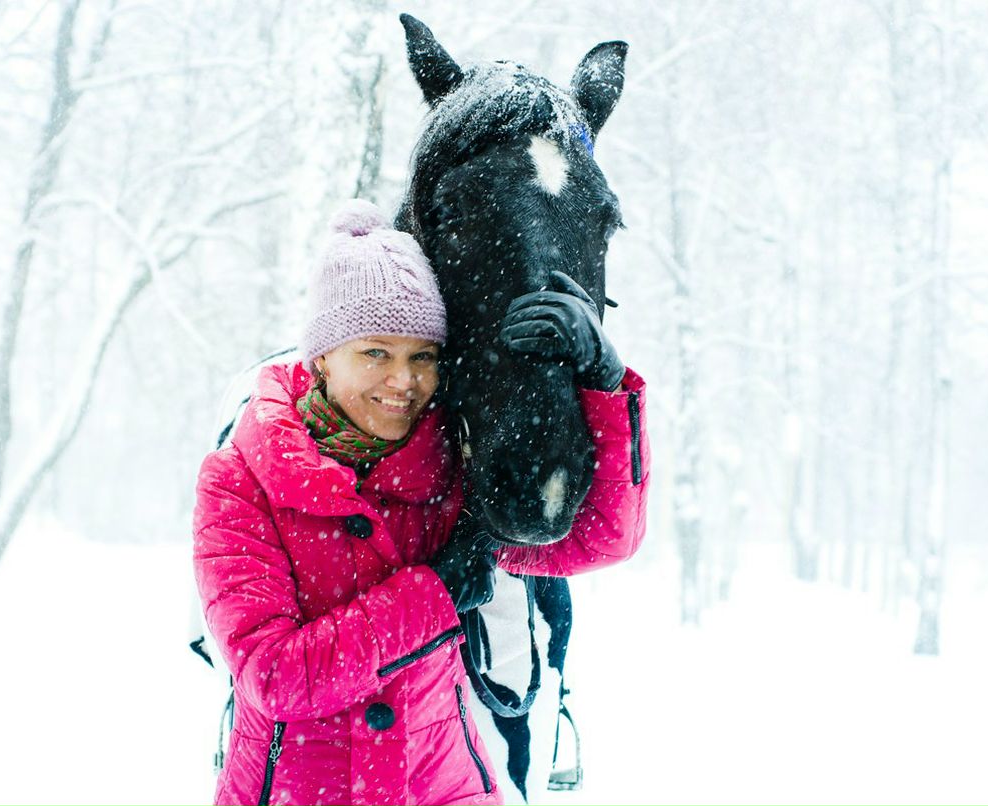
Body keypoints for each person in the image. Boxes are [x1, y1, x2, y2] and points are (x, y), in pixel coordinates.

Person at [193, 199, 650, 806]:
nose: (403, 382)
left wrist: (604, 384)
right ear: (323, 357)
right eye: (375, 353)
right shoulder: (240, 480)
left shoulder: (449, 468)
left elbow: (596, 539)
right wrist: (434, 593)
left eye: (422, 357)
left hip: (444, 788)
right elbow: (275, 676)